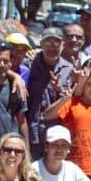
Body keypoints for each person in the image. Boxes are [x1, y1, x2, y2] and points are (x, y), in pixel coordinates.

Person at [25, 27, 75, 160]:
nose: (51, 47)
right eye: (47, 43)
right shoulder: (29, 64)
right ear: (40, 44)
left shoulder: (69, 69)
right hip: (31, 133)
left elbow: (70, 100)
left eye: (56, 43)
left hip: (56, 135)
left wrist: (59, 90)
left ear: (63, 44)